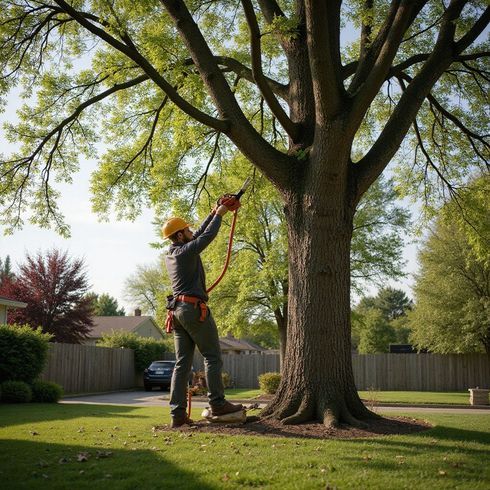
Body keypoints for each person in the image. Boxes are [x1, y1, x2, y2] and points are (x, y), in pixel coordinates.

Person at [162, 202, 243, 428]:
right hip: (192, 309)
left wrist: (213, 211)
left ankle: (177, 416)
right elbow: (205, 238)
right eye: (187, 230)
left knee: (182, 364)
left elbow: (197, 234)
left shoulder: (174, 253)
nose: (191, 231)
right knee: (212, 356)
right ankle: (217, 403)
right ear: (179, 236)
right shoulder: (185, 252)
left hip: (177, 312)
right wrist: (219, 215)